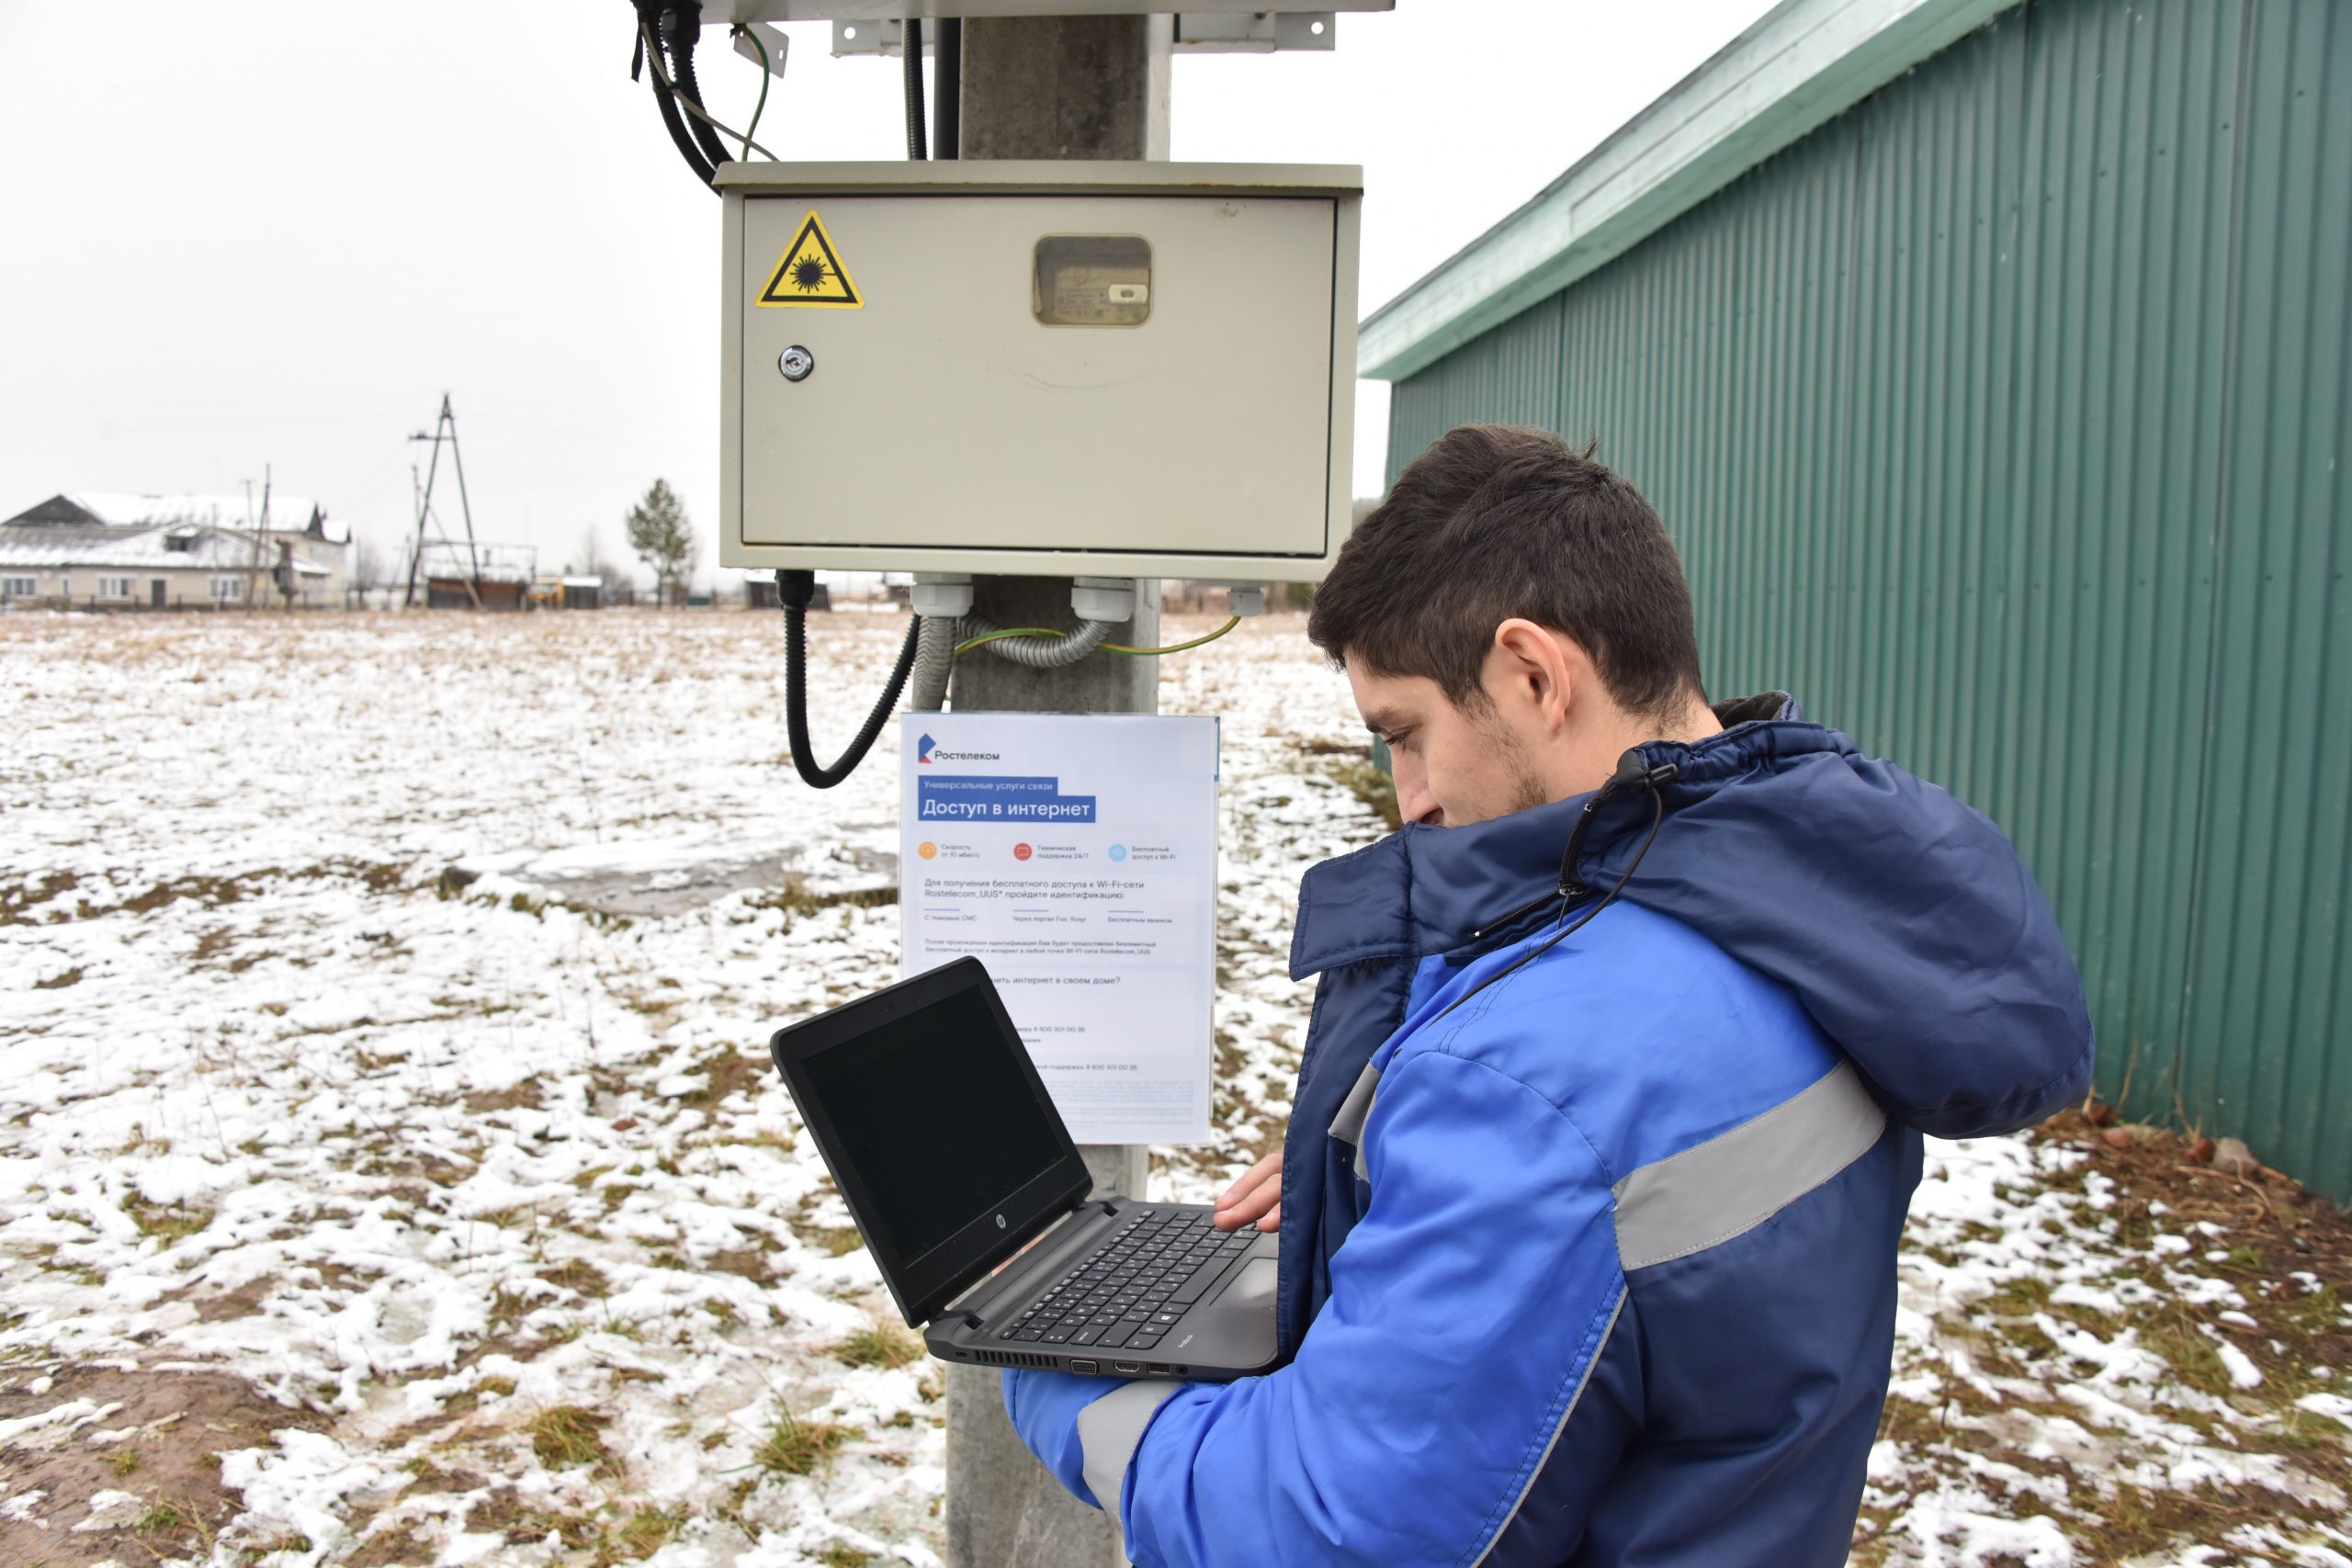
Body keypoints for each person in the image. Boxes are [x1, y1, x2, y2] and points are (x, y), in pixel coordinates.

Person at [1003, 424, 2094, 1567]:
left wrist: (1049, 1381)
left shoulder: (1531, 1084)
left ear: (1534, 673)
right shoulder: (1798, 897)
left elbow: (1322, 1534)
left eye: (1406, 734)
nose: (1408, 797)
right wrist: (1416, 1181)